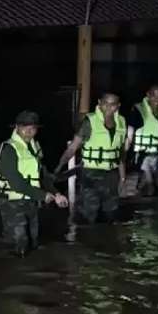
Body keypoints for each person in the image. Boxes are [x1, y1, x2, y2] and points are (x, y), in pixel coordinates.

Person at [0, 110, 68, 257]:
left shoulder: (35, 147)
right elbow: (15, 183)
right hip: (13, 203)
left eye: (33, 128)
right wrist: (42, 194)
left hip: (32, 202)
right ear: (16, 127)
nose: (29, 131)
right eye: (24, 127)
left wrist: (56, 193)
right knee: (19, 244)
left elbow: (42, 176)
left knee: (33, 243)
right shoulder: (9, 149)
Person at [55, 92, 125, 223]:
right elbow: (72, 148)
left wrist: (122, 176)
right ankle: (86, 240)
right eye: (105, 104)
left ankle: (106, 239)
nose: (109, 107)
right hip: (91, 174)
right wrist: (59, 168)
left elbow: (120, 152)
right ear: (99, 103)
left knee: (111, 213)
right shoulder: (89, 122)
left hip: (112, 174)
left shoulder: (121, 122)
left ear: (118, 106)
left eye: (113, 104)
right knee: (88, 213)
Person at [125, 85, 158, 196]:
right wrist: (124, 154)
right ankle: (142, 210)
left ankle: (157, 209)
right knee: (148, 186)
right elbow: (129, 134)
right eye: (154, 95)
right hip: (143, 154)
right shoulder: (138, 110)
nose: (157, 99)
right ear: (148, 95)